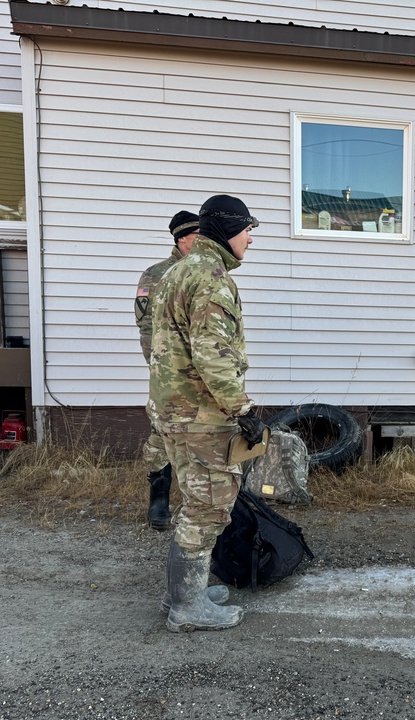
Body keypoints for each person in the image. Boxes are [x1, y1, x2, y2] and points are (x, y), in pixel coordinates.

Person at [148, 194, 265, 633]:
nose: (251, 239)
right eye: (248, 230)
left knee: (193, 502)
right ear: (227, 230)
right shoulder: (211, 278)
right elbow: (212, 356)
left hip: (172, 410)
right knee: (209, 506)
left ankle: (181, 594)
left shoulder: (177, 271)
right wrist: (243, 410)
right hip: (202, 414)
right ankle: (187, 608)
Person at [135, 210, 199, 531]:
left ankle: (200, 508)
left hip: (203, 375)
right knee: (162, 434)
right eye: (197, 236)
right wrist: (164, 371)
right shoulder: (156, 275)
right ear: (181, 239)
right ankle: (159, 502)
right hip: (170, 373)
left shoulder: (205, 272)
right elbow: (147, 329)